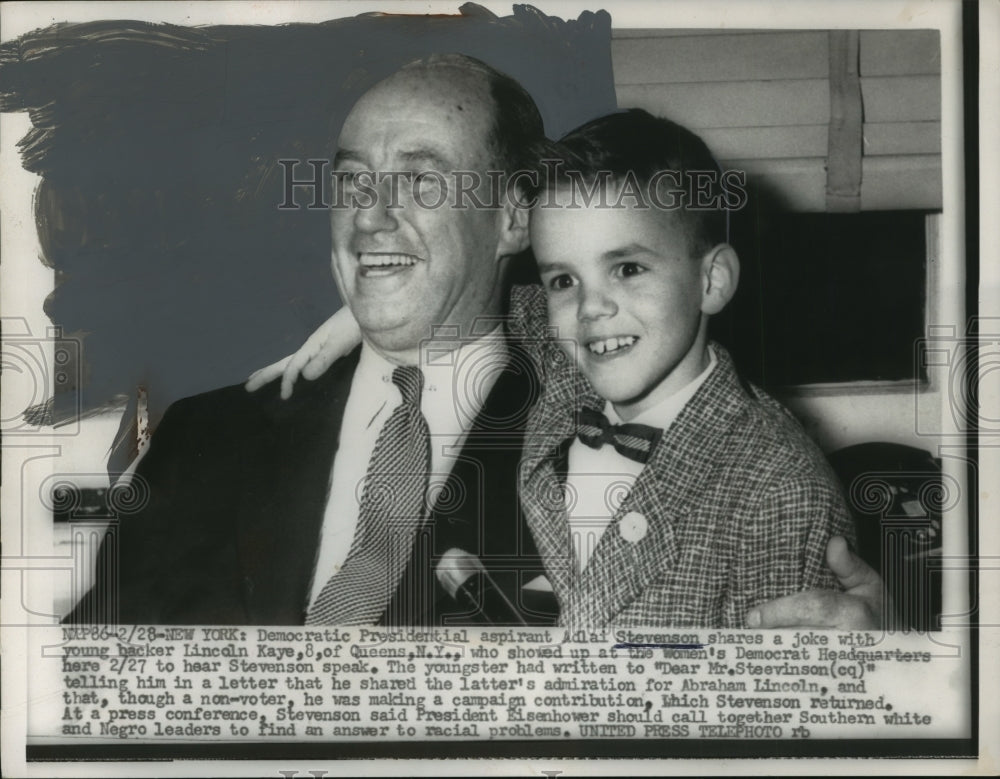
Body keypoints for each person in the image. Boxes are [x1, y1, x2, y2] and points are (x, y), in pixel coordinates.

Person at [262, 108, 858, 628]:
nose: (591, 308)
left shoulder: (783, 493)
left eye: (627, 268)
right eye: (564, 279)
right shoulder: (564, 362)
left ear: (712, 279)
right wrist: (367, 315)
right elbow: (485, 301)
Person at [66, 54, 557, 625]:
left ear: (514, 217)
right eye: (353, 180)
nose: (369, 218)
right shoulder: (205, 440)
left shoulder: (595, 445)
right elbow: (83, 685)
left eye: (422, 180)